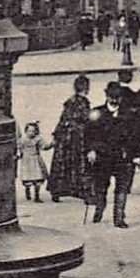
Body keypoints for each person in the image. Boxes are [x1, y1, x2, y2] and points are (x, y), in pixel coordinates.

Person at [84, 82, 139, 227]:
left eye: (117, 97)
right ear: (106, 96)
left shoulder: (130, 114)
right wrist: (91, 150)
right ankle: (99, 208)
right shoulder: (96, 113)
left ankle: (119, 217)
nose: (114, 100)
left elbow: (136, 136)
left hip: (123, 156)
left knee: (122, 188)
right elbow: (88, 134)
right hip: (102, 157)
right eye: (111, 96)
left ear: (121, 98)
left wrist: (136, 155)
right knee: (101, 186)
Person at [46, 75, 94, 204]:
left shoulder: (69, 101)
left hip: (65, 136)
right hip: (79, 136)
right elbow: (86, 119)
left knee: (62, 163)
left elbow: (63, 119)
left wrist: (56, 135)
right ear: (86, 87)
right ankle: (84, 193)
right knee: (81, 164)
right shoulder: (84, 102)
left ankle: (56, 190)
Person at [15, 120, 50, 202]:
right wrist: (18, 155)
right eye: (29, 131)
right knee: (27, 178)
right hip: (26, 161)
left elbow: (44, 147)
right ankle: (27, 192)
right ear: (26, 131)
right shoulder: (22, 140)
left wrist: (51, 144)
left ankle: (37, 196)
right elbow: (19, 149)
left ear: (36, 132)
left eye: (33, 131)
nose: (31, 133)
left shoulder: (38, 139)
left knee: (38, 177)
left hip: (36, 160)